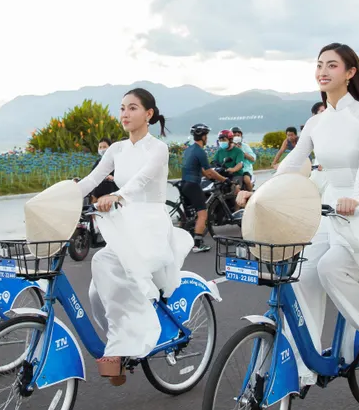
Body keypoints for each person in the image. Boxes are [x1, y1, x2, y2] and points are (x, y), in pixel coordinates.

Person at [270, 43, 359, 376]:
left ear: (350, 73)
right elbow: (293, 162)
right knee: (303, 273)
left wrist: (358, 199)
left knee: (332, 267)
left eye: (332, 65)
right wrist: (259, 193)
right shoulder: (315, 122)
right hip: (329, 203)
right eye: (319, 65)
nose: (323, 71)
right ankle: (304, 363)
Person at [76, 88, 190, 384]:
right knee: (94, 293)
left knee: (106, 263)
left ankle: (126, 345)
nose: (125, 114)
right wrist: (60, 196)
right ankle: (122, 343)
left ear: (149, 114)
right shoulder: (116, 149)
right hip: (125, 227)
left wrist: (117, 195)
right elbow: (92, 179)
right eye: (122, 108)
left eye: (133, 108)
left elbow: (141, 181)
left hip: (150, 227)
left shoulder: (158, 148)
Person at [178, 124, 228, 253]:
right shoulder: (200, 151)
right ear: (203, 136)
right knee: (203, 214)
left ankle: (189, 231)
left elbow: (202, 170)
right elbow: (209, 171)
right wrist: (224, 179)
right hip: (193, 184)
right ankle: (197, 245)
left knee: (193, 213)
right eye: (206, 136)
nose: (207, 139)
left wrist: (209, 176)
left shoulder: (189, 149)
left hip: (185, 183)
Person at [231, 127, 257, 191]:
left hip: (245, 170)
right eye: (234, 135)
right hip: (232, 169)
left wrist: (241, 152)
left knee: (246, 179)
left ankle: (251, 194)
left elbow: (253, 159)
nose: (236, 137)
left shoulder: (245, 146)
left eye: (238, 135)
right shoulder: (229, 147)